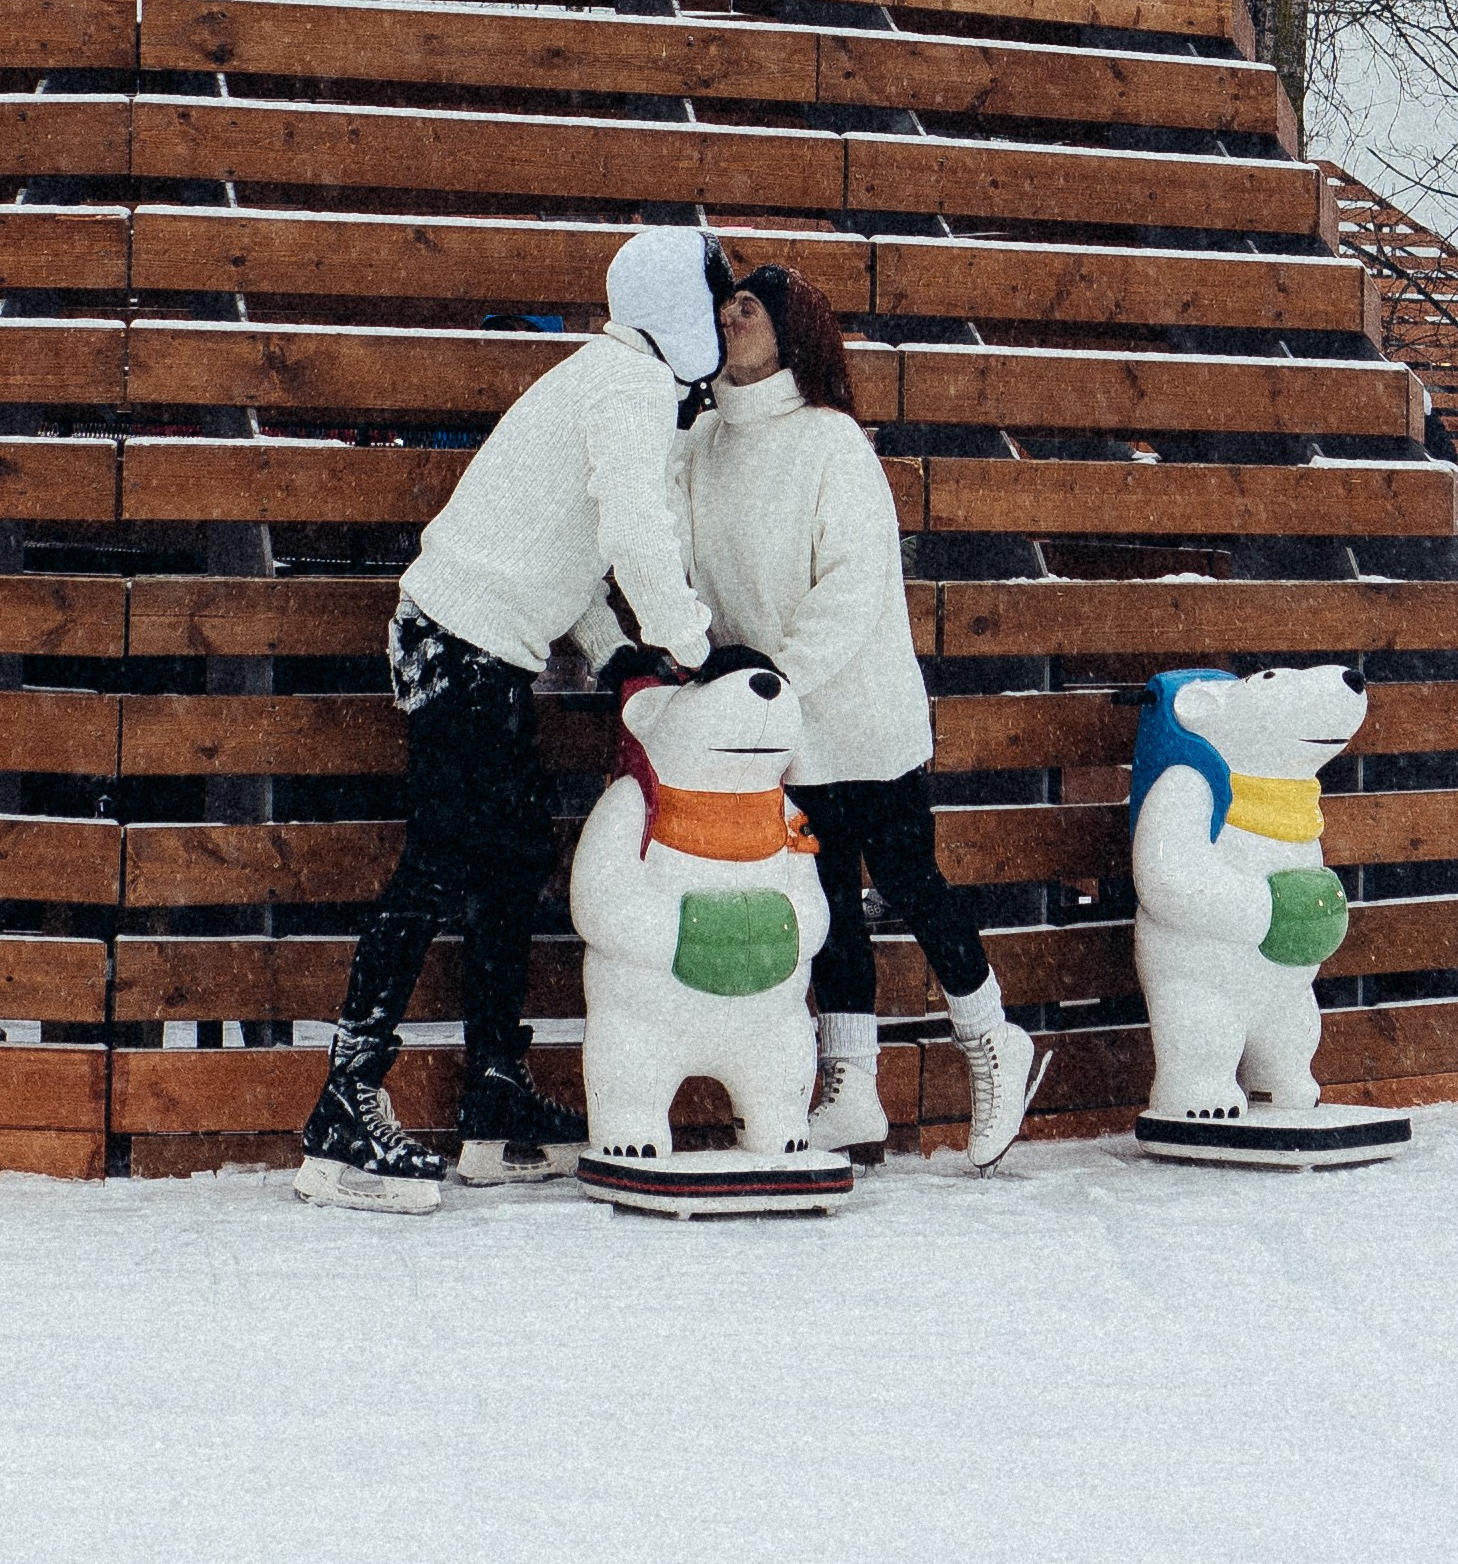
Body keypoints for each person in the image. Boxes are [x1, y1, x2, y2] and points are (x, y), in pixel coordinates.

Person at [294, 226, 722, 1211]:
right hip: (459, 642)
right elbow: (629, 532)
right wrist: (691, 645)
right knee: (440, 859)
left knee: (513, 851)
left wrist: (615, 650)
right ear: (680, 308)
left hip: (476, 640)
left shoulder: (609, 376)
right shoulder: (628, 387)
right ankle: (344, 1109)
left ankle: (492, 1094)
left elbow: (560, 538)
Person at [680, 260, 1043, 1171]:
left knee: (910, 882)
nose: (730, 317)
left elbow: (851, 585)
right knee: (829, 898)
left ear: (790, 329)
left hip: (857, 705)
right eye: (724, 304)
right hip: (780, 718)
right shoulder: (701, 442)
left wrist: (776, 678)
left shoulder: (832, 441)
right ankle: (852, 1086)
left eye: (749, 307)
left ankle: (993, 1039)